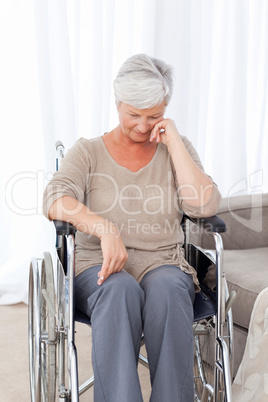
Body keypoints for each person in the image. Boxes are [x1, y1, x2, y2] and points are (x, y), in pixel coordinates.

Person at [43, 53, 221, 401]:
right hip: (98, 268)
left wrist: (175, 146)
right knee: (118, 289)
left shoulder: (176, 149)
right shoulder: (89, 152)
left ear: (166, 108)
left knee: (169, 288)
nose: (142, 126)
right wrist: (105, 229)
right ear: (117, 104)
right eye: (133, 114)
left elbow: (205, 205)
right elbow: (54, 198)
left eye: (154, 115)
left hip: (163, 263)